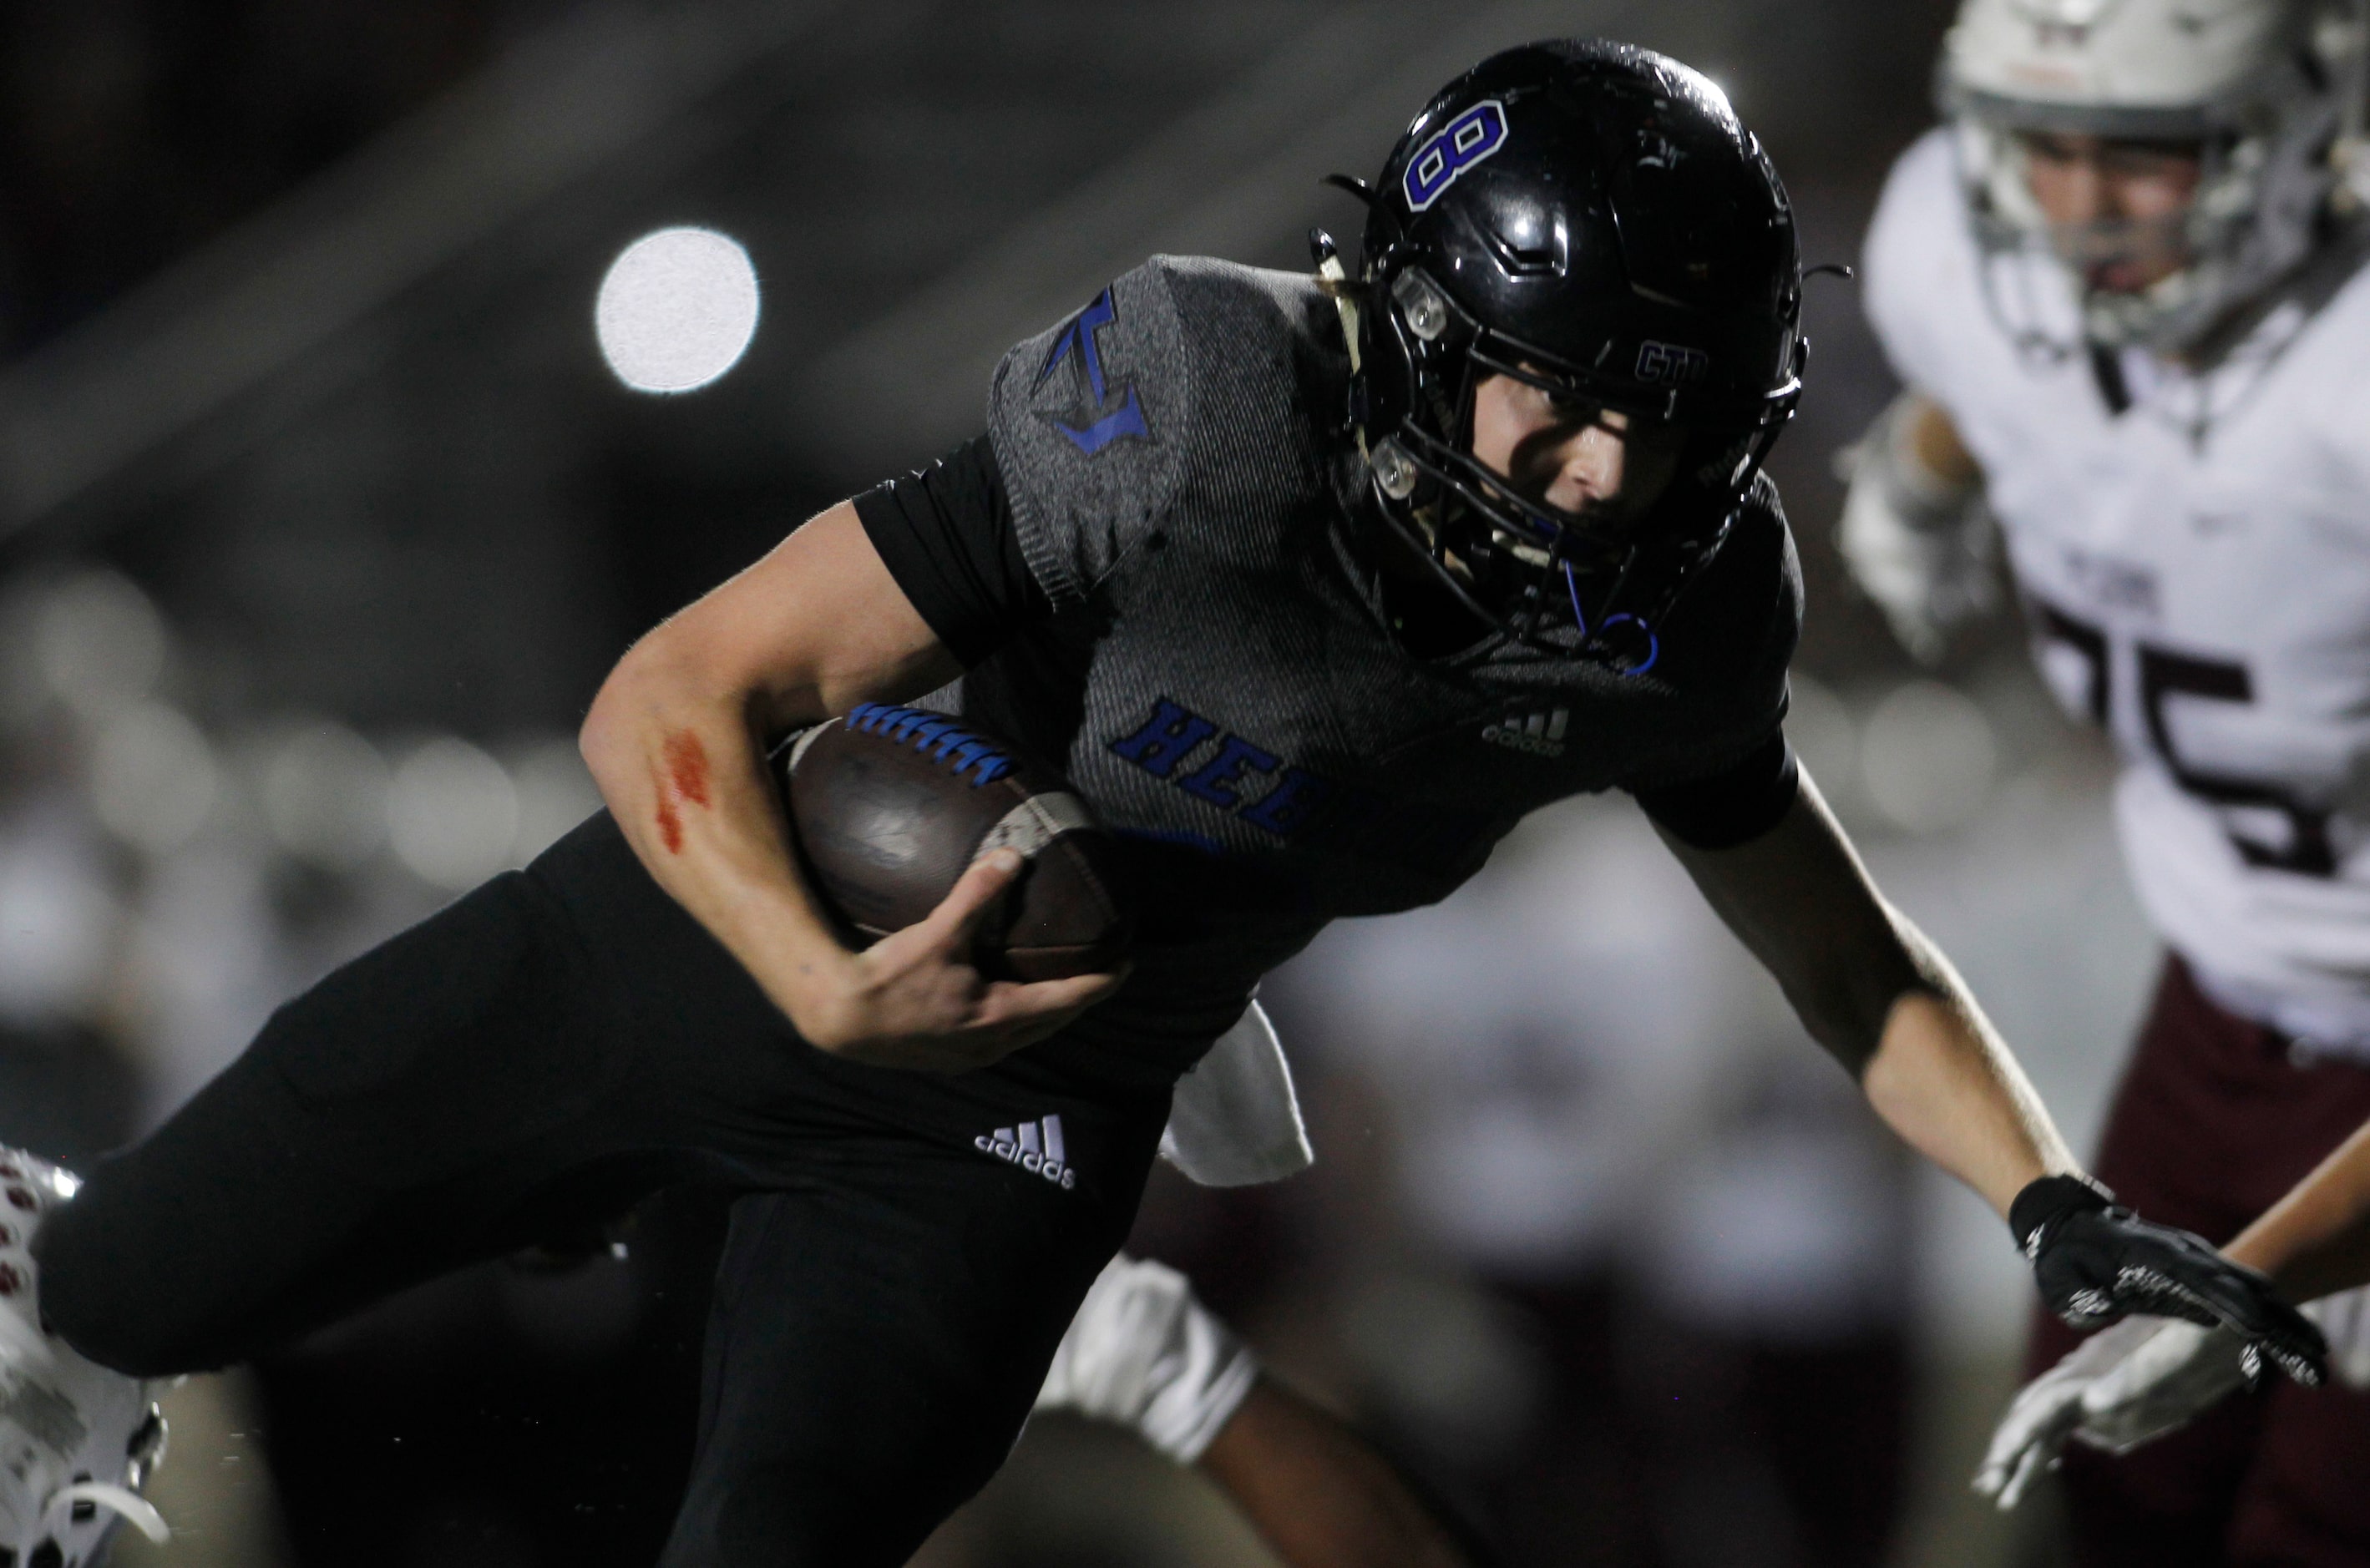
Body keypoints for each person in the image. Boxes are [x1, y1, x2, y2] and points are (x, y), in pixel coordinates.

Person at [3, 38, 2322, 1568]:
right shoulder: (1205, 402)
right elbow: (677, 685)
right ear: (1412, 323)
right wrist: (823, 979)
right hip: (729, 940)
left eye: (1662, 417)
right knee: (88, 1291)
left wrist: (2045, 1195)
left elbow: (1837, 951)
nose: (1602, 470)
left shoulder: (1679, 608)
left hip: (1036, 1100)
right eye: (1548, 400)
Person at [1836, 0, 2370, 1560]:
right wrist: (1925, 481)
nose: (2072, 209)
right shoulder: (1959, 240)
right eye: (2044, 146)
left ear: (2292, 123)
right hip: (2215, 1007)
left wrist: (2264, 1272)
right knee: (2099, 1484)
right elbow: (1990, 375)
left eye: (2142, 153)